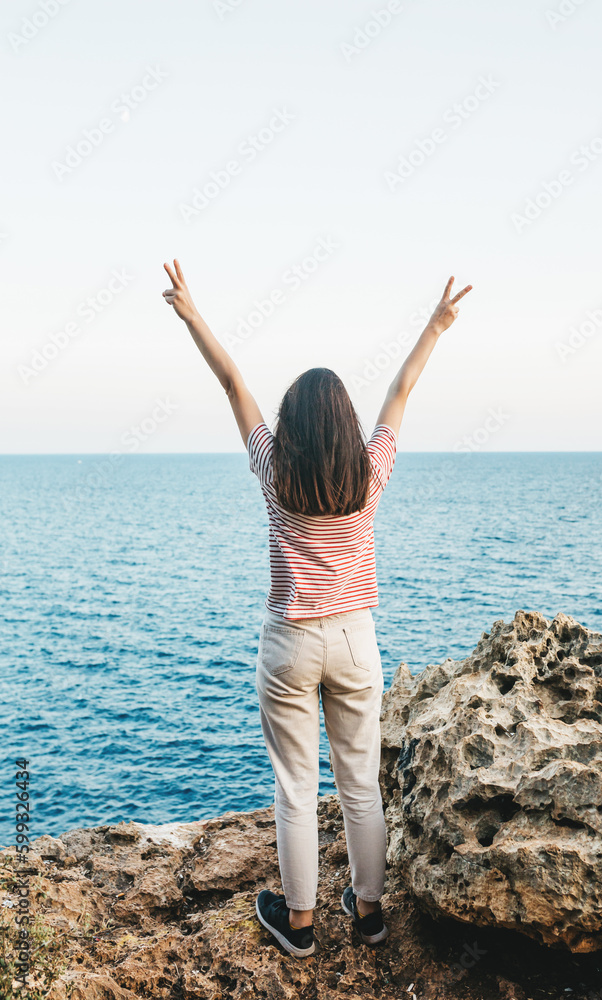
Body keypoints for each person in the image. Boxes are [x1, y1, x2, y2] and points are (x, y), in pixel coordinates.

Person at [162, 259, 472, 958]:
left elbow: (232, 383)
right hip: (356, 640)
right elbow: (401, 389)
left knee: (295, 788)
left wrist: (190, 315)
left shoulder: (275, 471)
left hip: (290, 642)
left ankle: (298, 925)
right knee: (361, 783)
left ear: (291, 425)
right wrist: (435, 324)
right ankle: (368, 915)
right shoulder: (368, 475)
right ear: (344, 425)